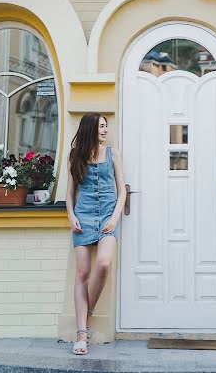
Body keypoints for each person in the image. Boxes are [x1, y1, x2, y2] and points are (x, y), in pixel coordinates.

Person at [66, 113, 126, 355]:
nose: (104, 130)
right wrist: (71, 215)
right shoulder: (75, 156)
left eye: (106, 126)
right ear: (91, 128)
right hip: (83, 216)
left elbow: (122, 190)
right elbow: (70, 192)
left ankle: (86, 314)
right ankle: (82, 333)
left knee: (103, 264)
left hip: (108, 218)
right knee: (82, 273)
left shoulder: (113, 154)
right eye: (101, 126)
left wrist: (114, 218)